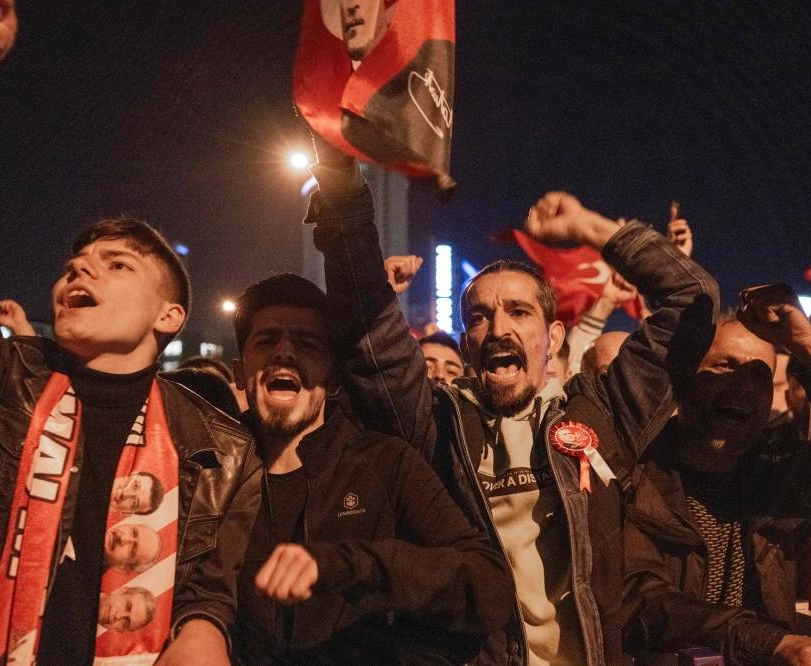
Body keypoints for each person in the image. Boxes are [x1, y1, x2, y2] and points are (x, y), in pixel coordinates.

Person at [306, 143, 719, 664]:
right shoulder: (434, 424)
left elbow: (693, 297)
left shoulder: (605, 412)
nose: (497, 328)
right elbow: (369, 324)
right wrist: (341, 179)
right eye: (478, 317)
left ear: (555, 337)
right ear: (465, 342)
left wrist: (591, 227)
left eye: (518, 312)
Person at [0, 217, 261, 665]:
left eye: (118, 265)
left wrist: (201, 632)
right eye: (73, 266)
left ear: (168, 315)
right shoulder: (8, 378)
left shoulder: (225, 451)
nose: (79, 270)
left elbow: (208, 591)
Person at [228, 273, 513, 664]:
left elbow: (487, 585)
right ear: (240, 372)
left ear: (333, 377)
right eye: (266, 340)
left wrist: (351, 565)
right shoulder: (211, 470)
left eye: (307, 343)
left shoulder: (385, 462)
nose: (285, 353)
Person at [622, 290, 811, 665]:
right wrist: (772, 643)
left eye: (760, 377)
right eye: (725, 366)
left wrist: (807, 343)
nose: (742, 386)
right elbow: (640, 600)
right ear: (683, 381)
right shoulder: (632, 473)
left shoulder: (779, 474)